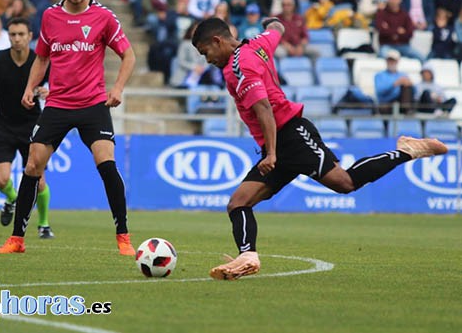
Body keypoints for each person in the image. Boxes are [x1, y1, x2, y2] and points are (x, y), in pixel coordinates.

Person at [190, 17, 447, 280]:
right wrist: (273, 22)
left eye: (205, 52)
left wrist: (271, 154)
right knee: (238, 203)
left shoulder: (240, 65)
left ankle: (407, 150)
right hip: (277, 144)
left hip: (291, 136)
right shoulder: (256, 43)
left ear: (217, 41)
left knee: (345, 183)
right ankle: (247, 256)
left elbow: (264, 107)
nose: (207, 59)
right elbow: (276, 29)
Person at [0, 0, 136, 255]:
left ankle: (123, 236)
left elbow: (129, 55)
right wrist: (30, 87)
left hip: (93, 104)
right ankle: (16, 239)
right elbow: (43, 58)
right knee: (33, 165)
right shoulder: (50, 17)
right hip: (58, 103)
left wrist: (118, 88)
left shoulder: (103, 17)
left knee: (106, 163)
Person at [0, 17, 54, 237]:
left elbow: (56, 86)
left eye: (21, 34)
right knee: (1, 179)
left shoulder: (40, 61)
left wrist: (48, 92)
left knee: (39, 181)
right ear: (8, 35)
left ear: (30, 36)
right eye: (12, 34)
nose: (17, 39)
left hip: (32, 125)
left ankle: (44, 225)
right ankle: (12, 198)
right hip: (3, 125)